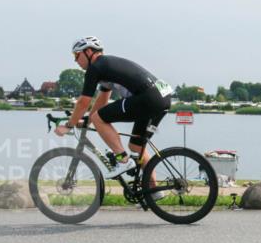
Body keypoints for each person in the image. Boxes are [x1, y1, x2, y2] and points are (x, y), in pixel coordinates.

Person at [56, 36, 173, 179]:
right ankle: (152, 192)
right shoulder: (108, 66)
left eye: (76, 55)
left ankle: (123, 160)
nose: (75, 60)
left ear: (88, 51)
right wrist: (88, 121)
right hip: (164, 96)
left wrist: (69, 125)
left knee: (99, 118)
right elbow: (102, 100)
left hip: (148, 98)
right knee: (136, 147)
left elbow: (83, 102)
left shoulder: (96, 67)